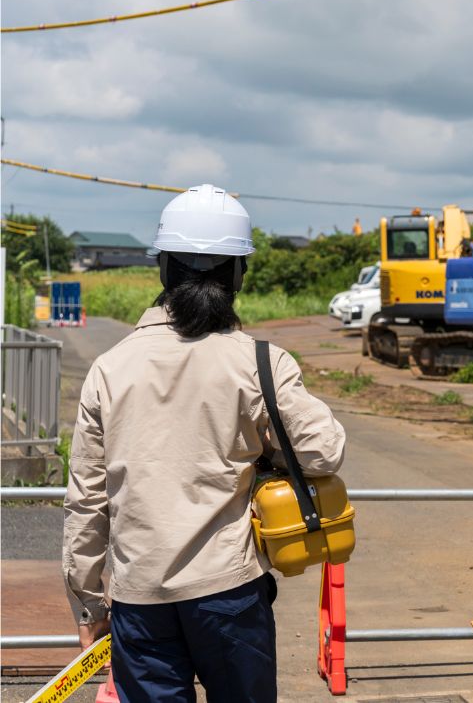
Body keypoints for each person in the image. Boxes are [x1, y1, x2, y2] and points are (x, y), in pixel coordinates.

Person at [62, 185, 346, 702]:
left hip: (139, 598)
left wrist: (90, 608)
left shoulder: (110, 368)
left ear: (164, 269)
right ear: (238, 274)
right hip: (230, 594)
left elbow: (86, 502)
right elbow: (323, 452)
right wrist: (265, 454)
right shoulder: (261, 362)